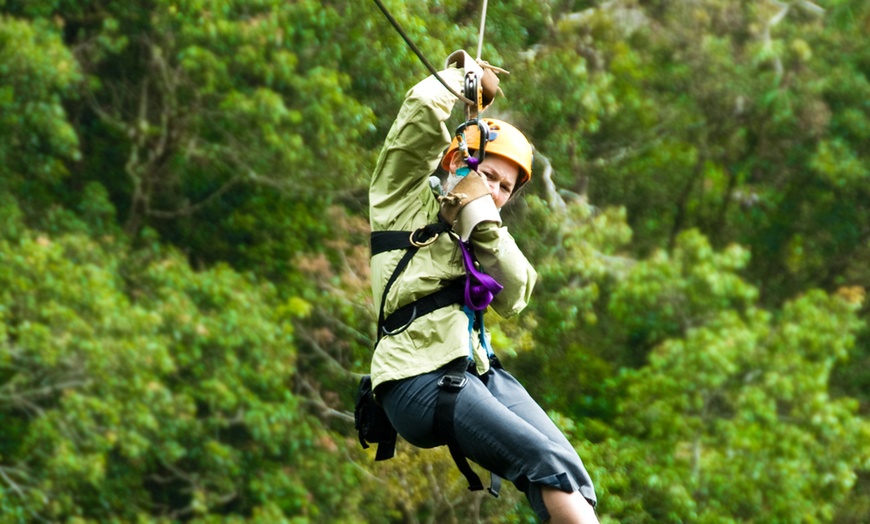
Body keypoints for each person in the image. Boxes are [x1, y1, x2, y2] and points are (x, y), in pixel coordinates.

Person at [368, 51, 599, 524]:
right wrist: (463, 78)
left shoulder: (484, 228)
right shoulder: (401, 198)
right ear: (457, 161)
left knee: (573, 477)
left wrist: (482, 221)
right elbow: (418, 110)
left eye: (504, 187)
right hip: (416, 379)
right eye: (487, 175)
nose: (493, 190)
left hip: (475, 372)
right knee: (544, 463)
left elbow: (518, 293)